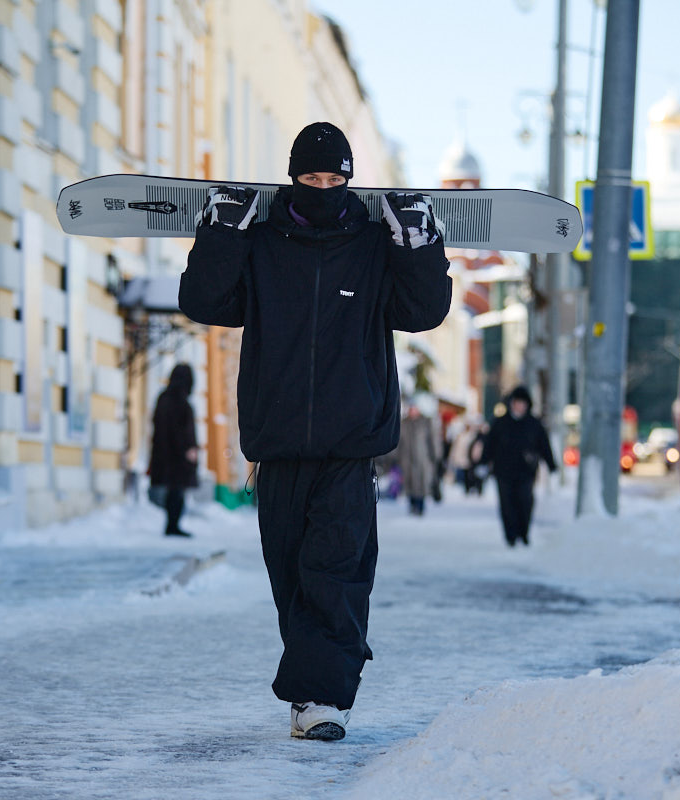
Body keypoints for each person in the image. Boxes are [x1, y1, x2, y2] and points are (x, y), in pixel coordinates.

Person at [177, 121, 452, 740]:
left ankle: (325, 700)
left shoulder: (373, 244)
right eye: (311, 178)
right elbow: (204, 300)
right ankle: (310, 697)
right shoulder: (264, 243)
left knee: (337, 573)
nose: (323, 187)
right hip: (276, 448)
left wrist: (417, 244)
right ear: (293, 178)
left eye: (335, 179)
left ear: (349, 180)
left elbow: (424, 311)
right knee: (294, 580)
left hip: (350, 447)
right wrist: (223, 233)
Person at [480, 386, 557, 547]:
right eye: (516, 403)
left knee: (525, 502)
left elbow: (544, 445)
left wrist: (551, 465)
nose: (519, 406)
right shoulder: (500, 423)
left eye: (522, 403)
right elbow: (489, 445)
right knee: (507, 504)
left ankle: (523, 532)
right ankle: (510, 535)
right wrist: (483, 463)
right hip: (503, 472)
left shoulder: (534, 424)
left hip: (526, 472)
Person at [147, 363, 200, 537]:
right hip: (179, 456)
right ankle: (173, 526)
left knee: (173, 491)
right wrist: (188, 449)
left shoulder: (163, 398)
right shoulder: (181, 401)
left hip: (164, 453)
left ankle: (172, 525)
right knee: (177, 491)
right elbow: (182, 430)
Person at [397, 402, 438, 516]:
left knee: (421, 482)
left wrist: (435, 455)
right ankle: (412, 504)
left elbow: (432, 440)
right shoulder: (404, 423)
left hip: (422, 458)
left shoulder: (426, 422)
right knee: (409, 482)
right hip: (406, 458)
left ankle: (420, 505)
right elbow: (398, 441)